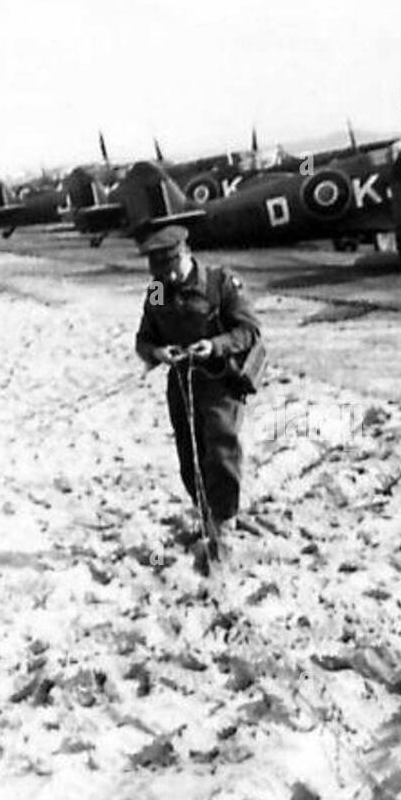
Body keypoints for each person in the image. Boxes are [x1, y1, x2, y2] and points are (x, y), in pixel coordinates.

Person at [133, 225, 261, 566]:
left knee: (221, 447)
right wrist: (158, 353)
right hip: (181, 381)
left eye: (172, 266)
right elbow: (143, 339)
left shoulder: (220, 282)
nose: (167, 275)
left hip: (220, 380)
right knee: (190, 454)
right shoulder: (158, 289)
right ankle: (206, 514)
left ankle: (224, 523)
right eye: (159, 270)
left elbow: (249, 330)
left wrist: (214, 346)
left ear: (186, 254)